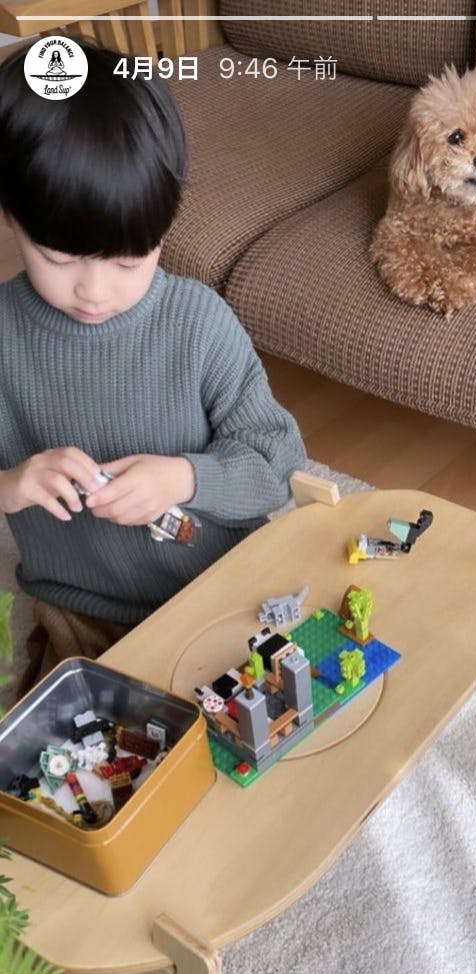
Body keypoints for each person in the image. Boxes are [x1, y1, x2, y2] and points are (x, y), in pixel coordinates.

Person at [0, 41, 306, 695]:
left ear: (164, 228)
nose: (94, 291)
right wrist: (13, 485)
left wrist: (185, 478)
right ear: (9, 215)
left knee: (284, 721)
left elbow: (277, 464)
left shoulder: (197, 323)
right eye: (59, 257)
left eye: (128, 261)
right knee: (68, 750)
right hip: (83, 612)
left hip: (221, 593)